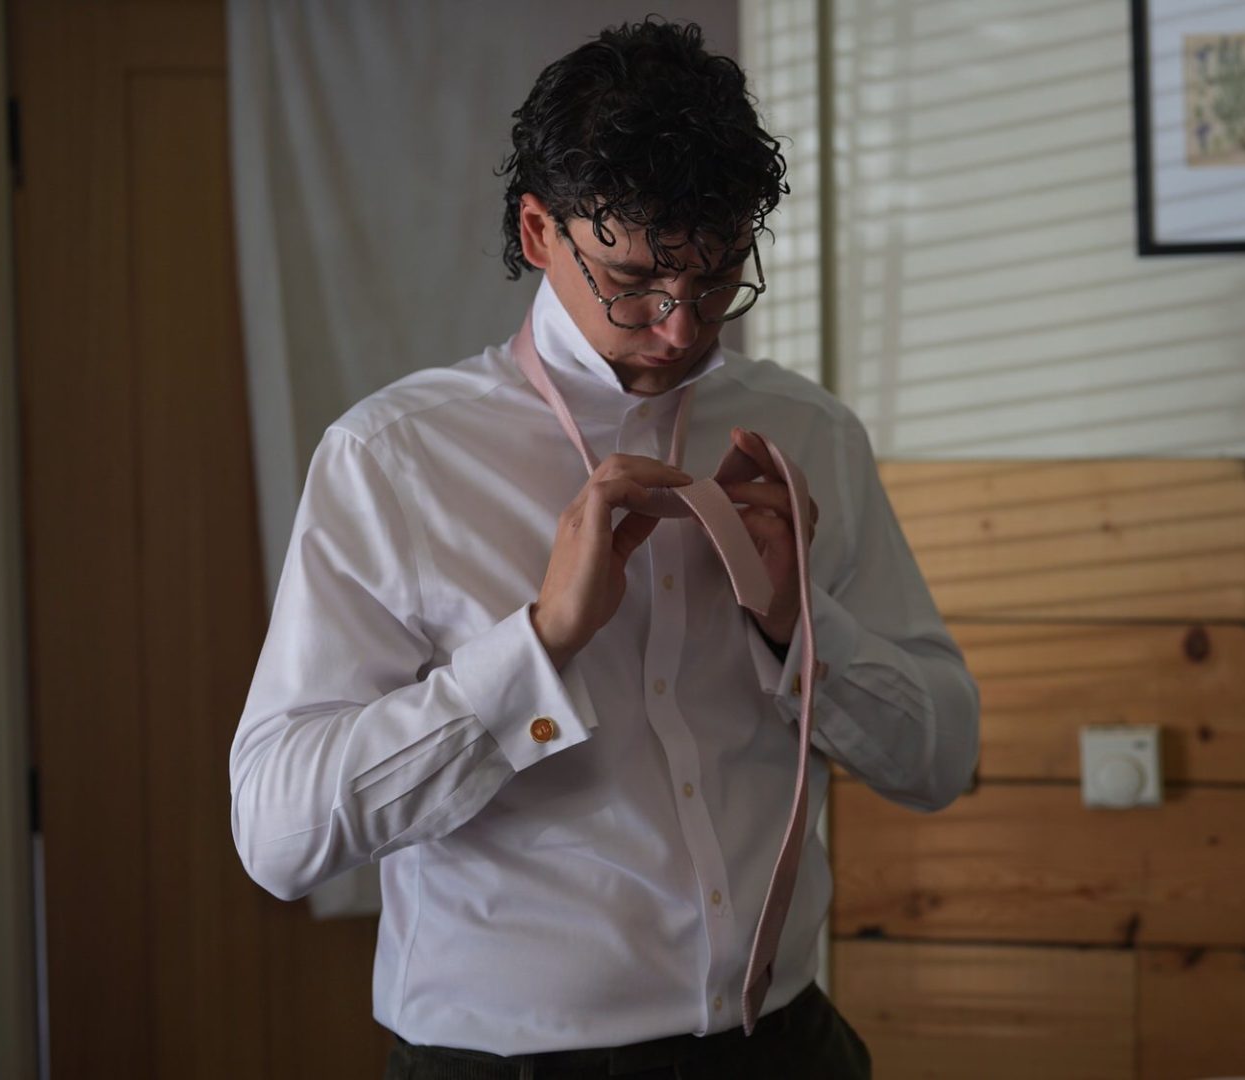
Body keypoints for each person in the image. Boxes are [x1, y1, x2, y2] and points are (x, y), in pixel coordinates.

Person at [228, 19, 978, 1079]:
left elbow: (941, 761)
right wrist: (536, 647)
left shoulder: (811, 435)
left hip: (784, 1047)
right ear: (540, 233)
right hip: (505, 1064)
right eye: (633, 283)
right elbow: (278, 836)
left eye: (716, 283)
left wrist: (798, 626)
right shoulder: (390, 460)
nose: (680, 329)